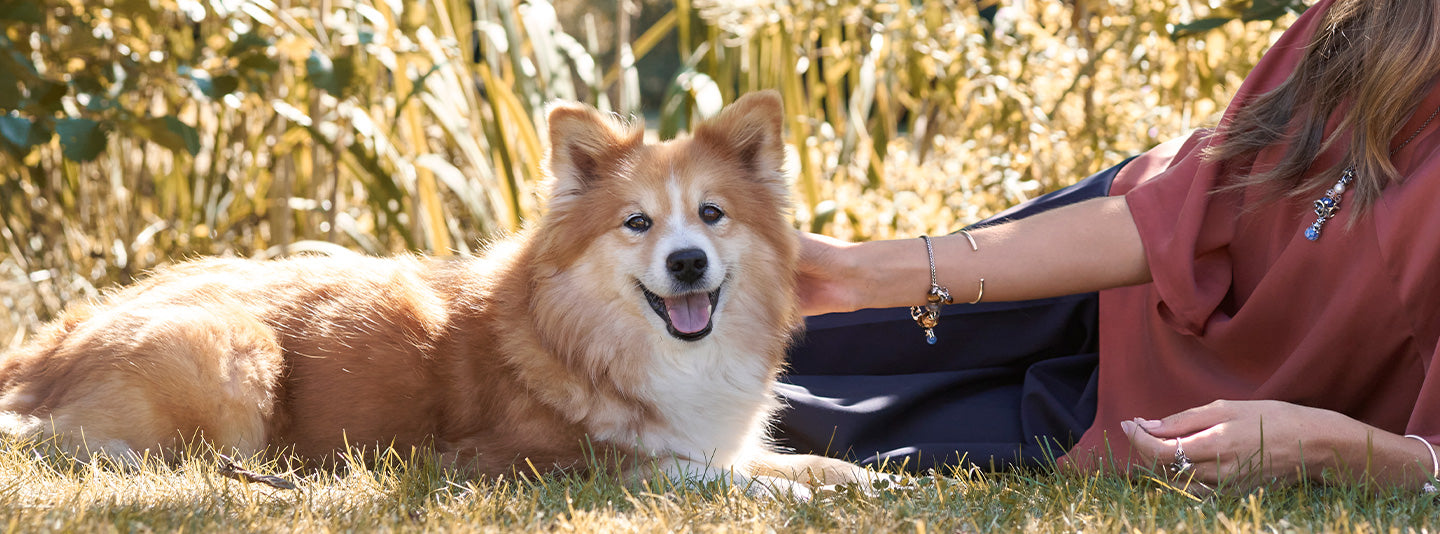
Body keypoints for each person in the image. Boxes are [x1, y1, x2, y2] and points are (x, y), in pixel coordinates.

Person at [773, 0, 1440, 492]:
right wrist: (861, 273)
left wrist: (1337, 450)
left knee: (770, 416)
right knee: (765, 325)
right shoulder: (1381, 20)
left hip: (1162, 421)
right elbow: (1190, 208)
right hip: (1104, 263)